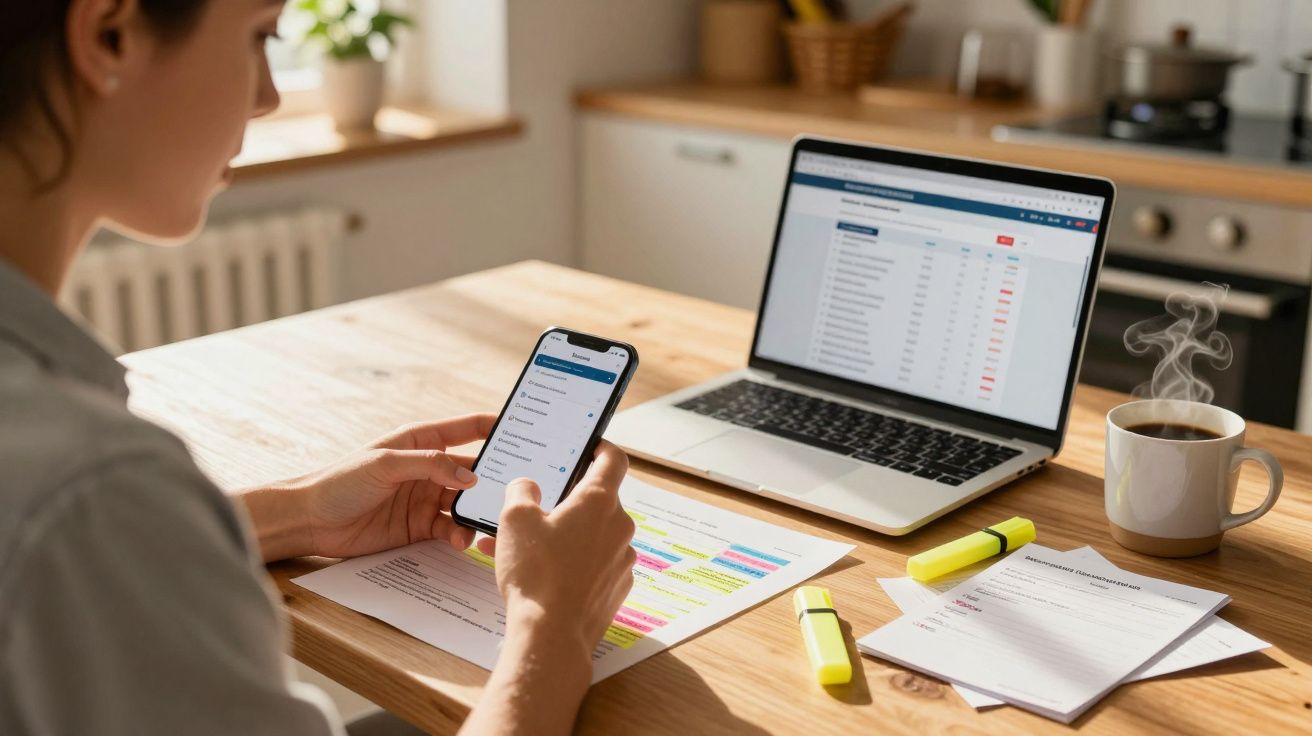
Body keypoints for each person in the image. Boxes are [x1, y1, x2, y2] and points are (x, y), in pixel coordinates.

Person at [0, 2, 637, 734]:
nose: (269, 96)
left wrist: (300, 512)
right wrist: (553, 623)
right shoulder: (91, 485)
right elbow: (85, 523)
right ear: (109, 35)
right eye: (259, 35)